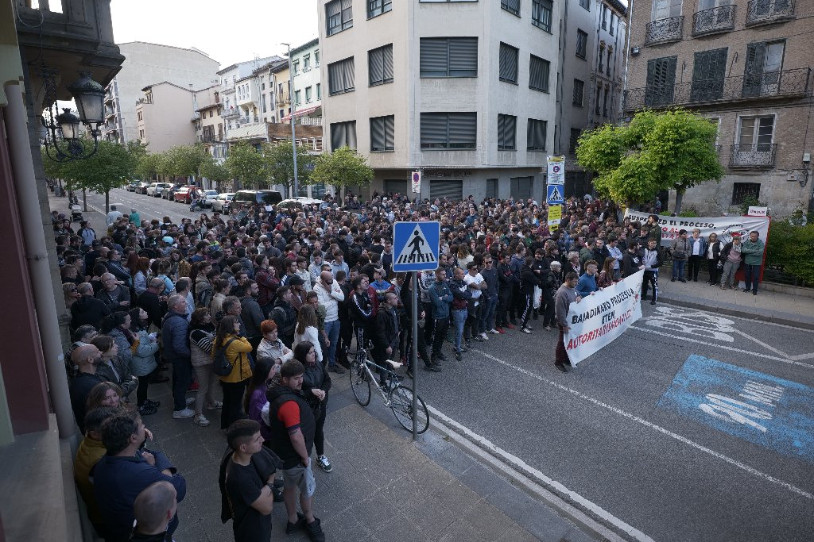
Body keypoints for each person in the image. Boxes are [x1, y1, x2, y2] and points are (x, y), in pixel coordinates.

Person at [93, 409, 186, 542]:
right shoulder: (137, 473)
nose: (145, 427)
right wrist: (158, 466)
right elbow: (179, 487)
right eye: (142, 425)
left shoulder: (107, 460)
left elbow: (142, 453)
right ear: (133, 438)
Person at [265, 360, 325, 542]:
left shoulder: (280, 393)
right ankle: (310, 520)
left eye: (301, 377)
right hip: (296, 457)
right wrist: (305, 457)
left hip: (286, 455)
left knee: (289, 486)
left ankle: (292, 520)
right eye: (296, 378)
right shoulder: (288, 404)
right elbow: (296, 435)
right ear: (285, 379)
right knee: (307, 489)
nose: (301, 381)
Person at [222, 420, 277, 542]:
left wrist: (264, 492)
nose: (263, 440)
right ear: (243, 447)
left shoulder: (242, 455)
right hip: (253, 532)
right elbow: (267, 508)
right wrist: (270, 483)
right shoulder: (241, 479)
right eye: (257, 439)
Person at [74, 406, 117, 534]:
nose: (117, 429)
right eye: (110, 427)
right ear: (94, 433)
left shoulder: (90, 440)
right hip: (106, 519)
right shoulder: (101, 460)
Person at [295, 341, 333, 473]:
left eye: (314, 351)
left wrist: (323, 391)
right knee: (305, 434)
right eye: (310, 352)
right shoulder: (297, 370)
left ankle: (321, 456)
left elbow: (327, 381)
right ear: (302, 355)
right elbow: (294, 392)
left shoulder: (318, 364)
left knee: (318, 430)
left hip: (320, 405)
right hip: (306, 409)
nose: (314, 354)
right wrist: (310, 392)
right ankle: (303, 459)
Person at [215, 315, 254, 429]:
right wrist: (242, 337)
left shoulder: (219, 339)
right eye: (237, 322)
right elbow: (249, 347)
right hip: (237, 378)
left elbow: (213, 354)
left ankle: (225, 425)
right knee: (236, 404)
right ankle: (234, 427)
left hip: (225, 377)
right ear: (231, 326)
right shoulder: (235, 342)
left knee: (227, 401)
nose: (239, 324)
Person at [162, 294, 195, 419]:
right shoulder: (178, 322)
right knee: (182, 381)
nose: (186, 303)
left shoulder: (172, 317)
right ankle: (180, 409)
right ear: (175, 306)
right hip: (180, 357)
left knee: (178, 380)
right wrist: (191, 355)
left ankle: (180, 400)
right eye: (182, 302)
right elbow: (179, 346)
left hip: (175, 356)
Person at [189, 308, 221, 427]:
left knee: (212, 383)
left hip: (211, 361)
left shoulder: (210, 326)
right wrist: (217, 339)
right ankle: (198, 415)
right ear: (200, 319)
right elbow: (209, 348)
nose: (209, 316)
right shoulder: (196, 332)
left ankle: (211, 402)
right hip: (201, 363)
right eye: (207, 315)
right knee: (203, 388)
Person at [128, 307, 162, 416]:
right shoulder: (137, 332)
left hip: (143, 363)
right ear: (137, 317)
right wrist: (155, 344)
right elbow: (141, 351)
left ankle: (144, 401)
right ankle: (141, 405)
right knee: (142, 385)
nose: (146, 312)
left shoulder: (139, 328)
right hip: (141, 363)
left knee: (144, 384)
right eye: (142, 312)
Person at [313, 270, 345, 373]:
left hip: (335, 319)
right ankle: (322, 367)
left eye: (332, 279)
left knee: (334, 344)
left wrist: (331, 292)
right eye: (328, 281)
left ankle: (332, 364)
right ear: (322, 280)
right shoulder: (316, 288)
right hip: (325, 321)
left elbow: (342, 297)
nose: (331, 282)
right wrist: (334, 300)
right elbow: (321, 307)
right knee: (324, 345)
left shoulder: (334, 282)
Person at [69, 344, 104, 432]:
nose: (101, 352)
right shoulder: (92, 385)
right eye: (97, 351)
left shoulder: (78, 380)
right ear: (90, 359)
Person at [554, 272, 581, 373]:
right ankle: (558, 362)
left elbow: (577, 293)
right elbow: (560, 311)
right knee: (562, 342)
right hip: (564, 322)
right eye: (575, 281)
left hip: (571, 321)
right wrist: (564, 325)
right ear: (568, 280)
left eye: (577, 281)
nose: (576, 283)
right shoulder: (562, 293)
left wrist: (579, 297)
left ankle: (566, 358)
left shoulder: (572, 288)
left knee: (569, 340)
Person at [372, 291, 400, 386]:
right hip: (387, 342)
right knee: (384, 361)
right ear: (388, 300)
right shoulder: (382, 313)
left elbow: (397, 321)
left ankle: (390, 375)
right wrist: (387, 346)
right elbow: (380, 332)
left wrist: (399, 331)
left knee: (391, 360)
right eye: (395, 298)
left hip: (394, 339)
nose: (397, 300)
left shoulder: (394, 309)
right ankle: (383, 382)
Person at [428, 268, 452, 364]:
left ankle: (439, 352)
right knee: (436, 337)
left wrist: (443, 298)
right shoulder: (432, 288)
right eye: (442, 274)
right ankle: (433, 356)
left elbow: (451, 297)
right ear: (437, 274)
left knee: (442, 336)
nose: (445, 276)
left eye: (445, 274)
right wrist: (445, 298)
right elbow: (437, 303)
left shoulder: (445, 284)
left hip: (446, 315)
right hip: (438, 317)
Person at [449, 267, 472, 361]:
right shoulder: (452, 284)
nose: (464, 275)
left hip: (464, 309)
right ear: (456, 275)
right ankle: (457, 350)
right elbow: (460, 295)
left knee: (460, 330)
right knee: (459, 330)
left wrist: (464, 296)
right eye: (462, 274)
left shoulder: (464, 282)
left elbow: (469, 294)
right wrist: (464, 296)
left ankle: (456, 346)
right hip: (457, 310)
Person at [741, 230, 765, 295]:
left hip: (757, 263)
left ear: (758, 236)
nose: (753, 237)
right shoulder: (747, 242)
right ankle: (747, 288)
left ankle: (755, 290)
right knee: (747, 276)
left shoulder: (760, 243)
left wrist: (748, 252)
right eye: (752, 236)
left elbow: (760, 252)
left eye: (754, 236)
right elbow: (743, 250)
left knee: (756, 277)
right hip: (747, 262)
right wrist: (755, 251)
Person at [641, 238, 663, 305]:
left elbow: (660, 262)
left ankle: (654, 299)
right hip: (644, 270)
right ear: (648, 243)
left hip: (653, 271)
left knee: (654, 285)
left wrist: (651, 266)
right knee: (644, 284)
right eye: (652, 243)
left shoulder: (658, 251)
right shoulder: (644, 249)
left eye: (655, 243)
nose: (654, 244)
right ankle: (644, 296)